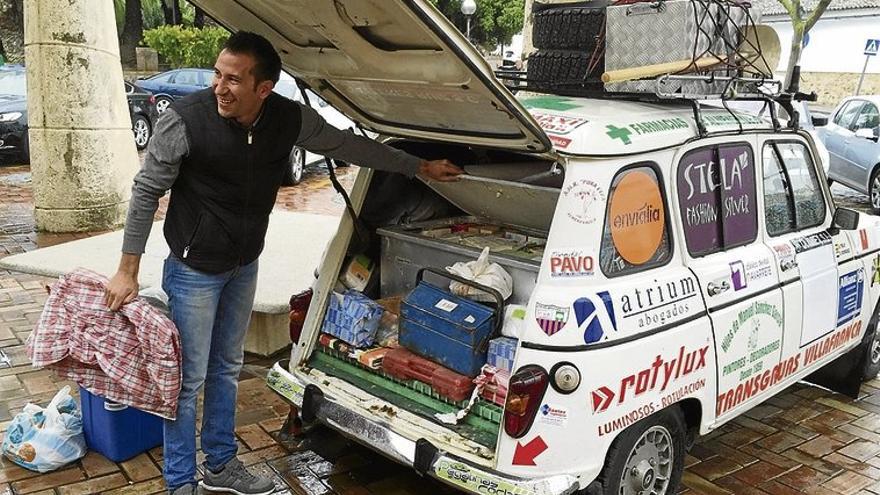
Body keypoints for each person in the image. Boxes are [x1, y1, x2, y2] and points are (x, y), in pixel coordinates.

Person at [105, 31, 463, 495]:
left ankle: (219, 465)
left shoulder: (289, 120)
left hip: (243, 264)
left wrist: (417, 167)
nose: (220, 87)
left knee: (227, 368)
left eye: (233, 79)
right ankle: (179, 483)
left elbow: (350, 147)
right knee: (188, 379)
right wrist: (127, 268)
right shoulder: (185, 120)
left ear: (264, 88)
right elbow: (146, 191)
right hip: (193, 269)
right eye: (218, 75)